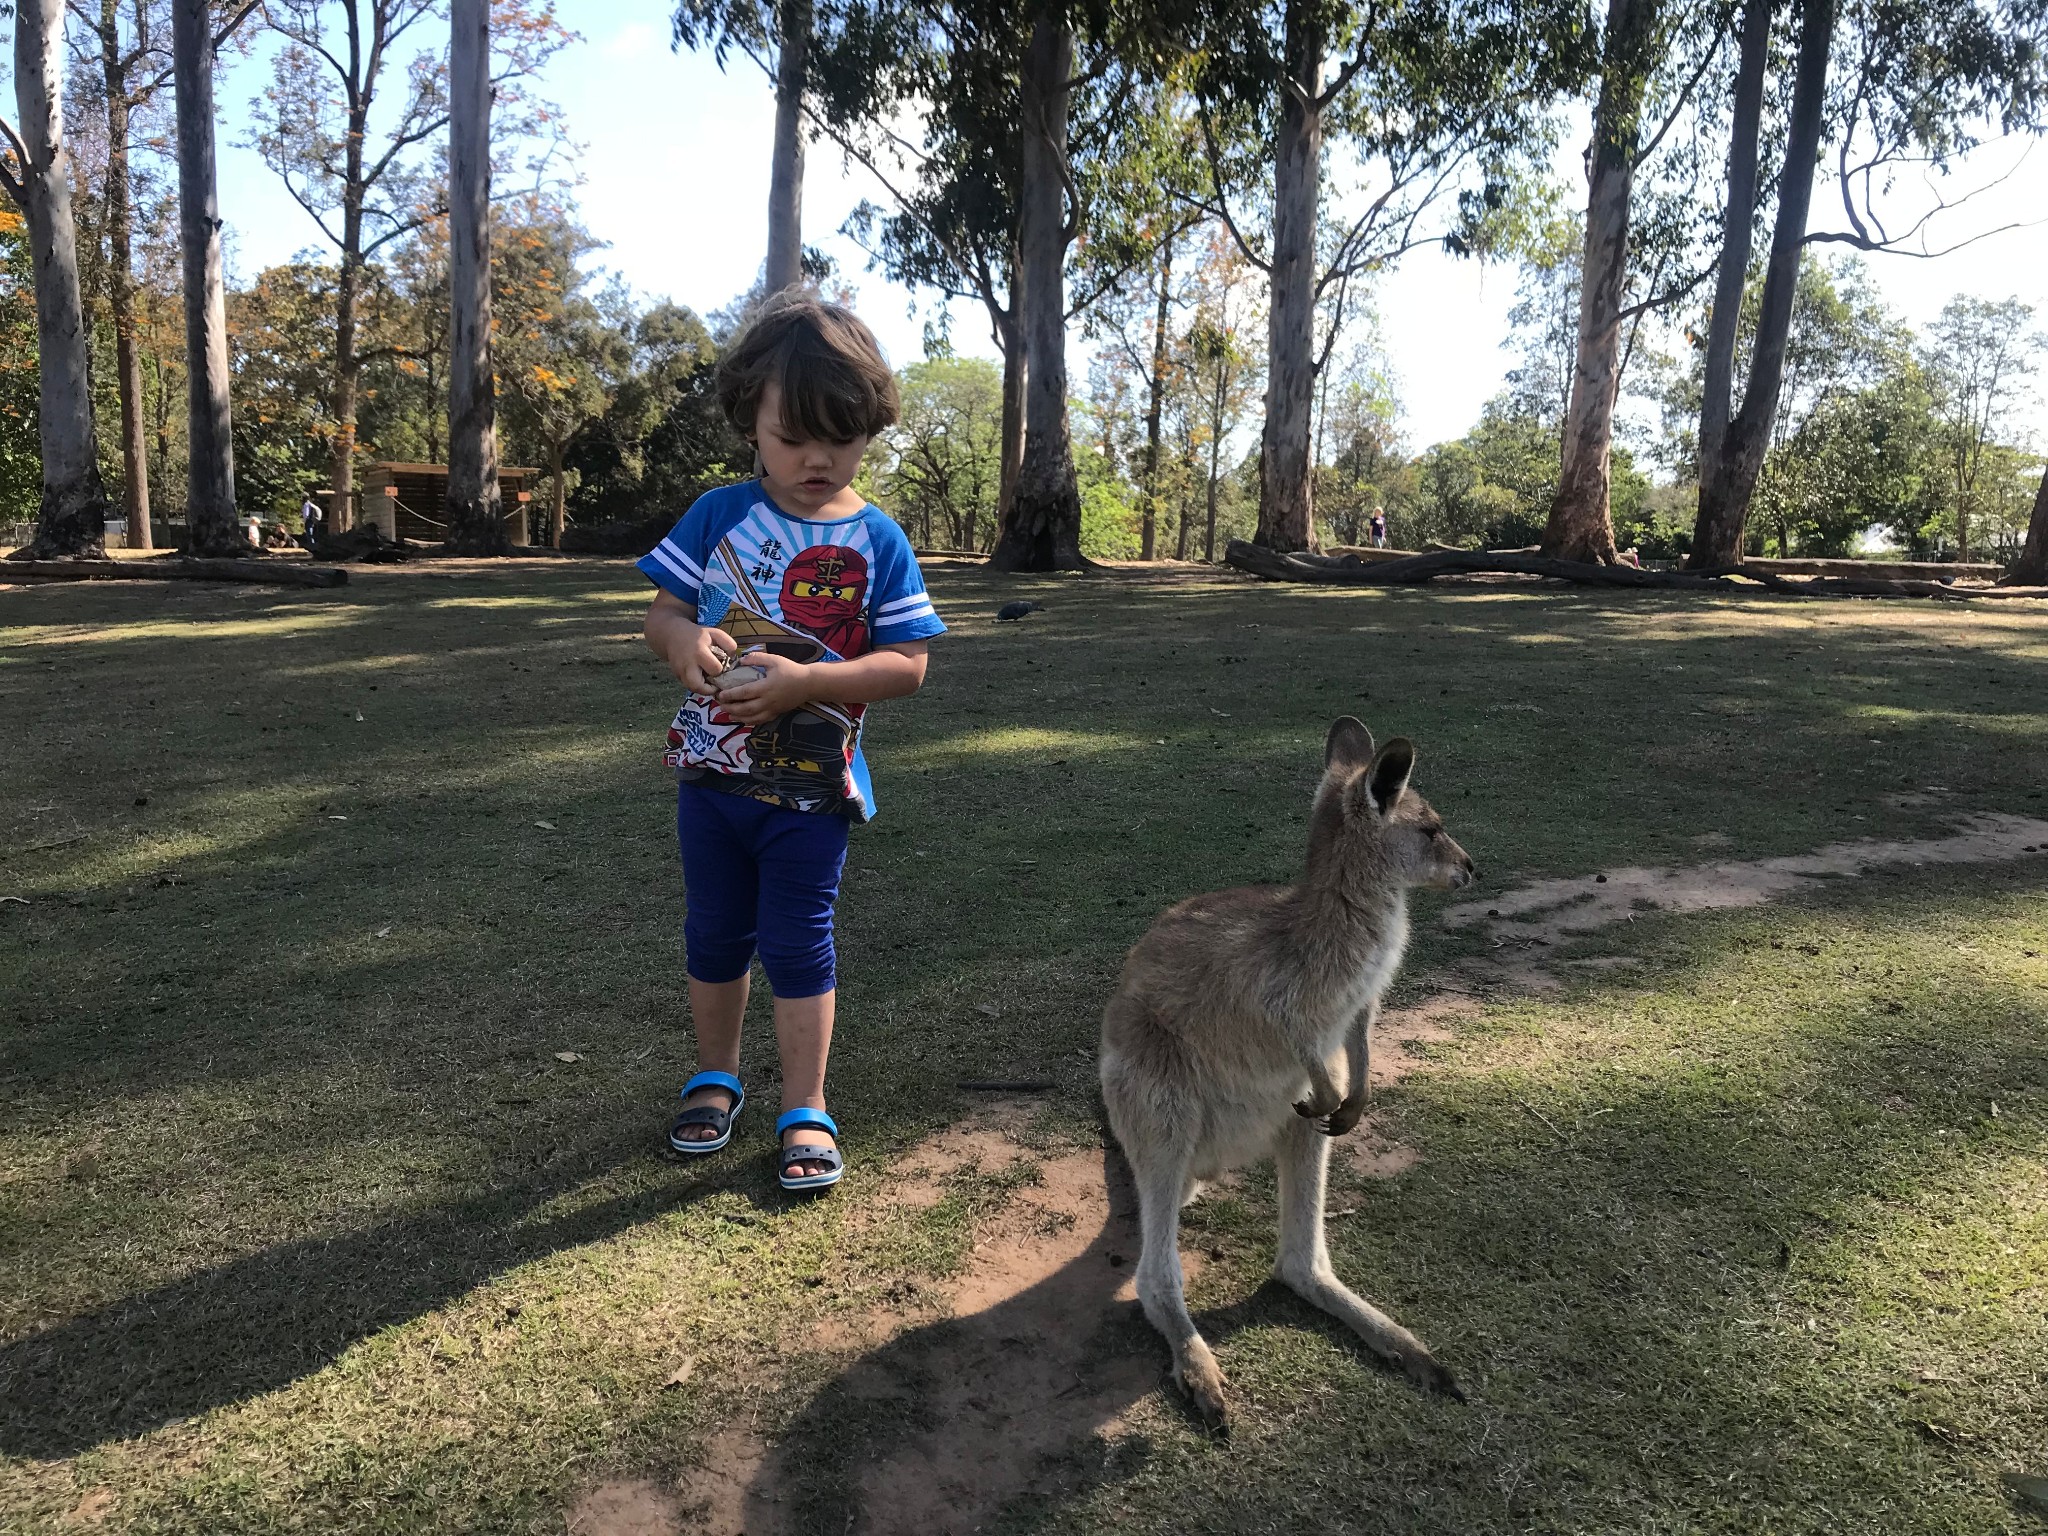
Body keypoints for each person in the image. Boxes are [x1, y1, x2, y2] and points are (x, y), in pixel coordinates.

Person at [638, 294, 944, 1193]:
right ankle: (715, 1076)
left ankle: (804, 1106)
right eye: (792, 436)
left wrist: (810, 682)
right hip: (712, 781)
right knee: (715, 930)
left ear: (870, 428)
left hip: (814, 790)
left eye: (840, 438)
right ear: (751, 423)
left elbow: (907, 664)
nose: (817, 458)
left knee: (800, 938)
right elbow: (662, 615)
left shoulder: (877, 539)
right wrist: (683, 641)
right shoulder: (715, 516)